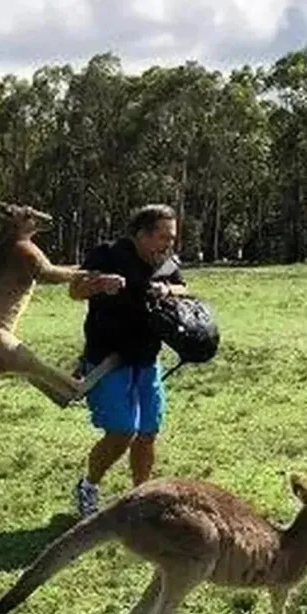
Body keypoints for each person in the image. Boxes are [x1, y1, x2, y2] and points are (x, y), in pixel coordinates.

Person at [68, 203, 192, 517]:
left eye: (172, 238)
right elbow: (74, 290)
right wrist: (99, 284)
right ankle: (89, 486)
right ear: (141, 234)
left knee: (148, 431)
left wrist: (167, 289)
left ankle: (141, 499)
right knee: (122, 430)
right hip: (108, 359)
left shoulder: (163, 263)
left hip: (147, 358)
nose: (169, 244)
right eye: (164, 237)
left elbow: (183, 287)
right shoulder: (108, 254)